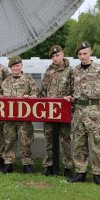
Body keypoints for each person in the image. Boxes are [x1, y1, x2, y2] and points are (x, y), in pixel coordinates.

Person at [0, 55, 37, 173]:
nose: (16, 68)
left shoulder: (29, 80)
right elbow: (1, 94)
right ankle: (8, 163)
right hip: (9, 118)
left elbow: (36, 95)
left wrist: (30, 97)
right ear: (10, 68)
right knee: (8, 141)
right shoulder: (6, 81)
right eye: (13, 66)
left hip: (24, 118)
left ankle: (27, 164)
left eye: (17, 66)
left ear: (21, 66)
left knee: (25, 141)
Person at [68, 41, 100, 185]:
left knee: (96, 144)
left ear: (90, 52)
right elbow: (71, 90)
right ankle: (80, 172)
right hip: (79, 111)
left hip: (94, 111)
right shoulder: (74, 71)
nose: (82, 56)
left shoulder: (98, 69)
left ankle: (97, 173)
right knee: (79, 143)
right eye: (80, 54)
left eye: (85, 53)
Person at [40, 45, 73, 177]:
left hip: (63, 112)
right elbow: (43, 91)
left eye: (57, 55)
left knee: (65, 140)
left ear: (62, 54)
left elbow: (73, 90)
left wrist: (69, 101)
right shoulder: (48, 71)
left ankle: (67, 167)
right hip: (49, 112)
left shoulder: (70, 71)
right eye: (53, 56)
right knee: (49, 140)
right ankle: (49, 165)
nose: (55, 58)